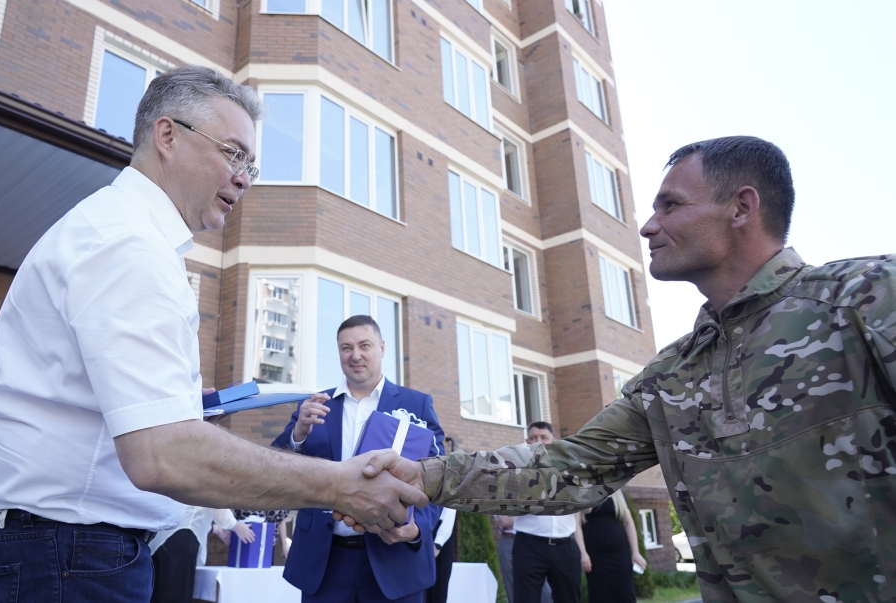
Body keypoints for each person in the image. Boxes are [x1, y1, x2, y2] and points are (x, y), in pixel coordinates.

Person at [354, 136, 896, 601]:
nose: (647, 226)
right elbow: (566, 469)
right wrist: (424, 475)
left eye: (671, 205)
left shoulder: (864, 300)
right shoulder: (673, 374)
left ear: (741, 207)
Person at [0, 66, 426, 603]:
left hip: (65, 553)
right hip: (68, 560)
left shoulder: (120, 234)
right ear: (168, 135)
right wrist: (340, 484)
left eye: (251, 164)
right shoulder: (128, 245)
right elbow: (162, 453)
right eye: (233, 153)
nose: (244, 178)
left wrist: (178, 408)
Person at [271, 315, 445, 603]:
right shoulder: (315, 405)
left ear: (382, 348)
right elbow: (275, 465)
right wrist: (298, 432)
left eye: (365, 345)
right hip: (324, 564)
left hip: (395, 562)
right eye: (346, 348)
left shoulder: (416, 404)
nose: (355, 355)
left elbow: (439, 479)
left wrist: (417, 528)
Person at [511, 423, 585, 603]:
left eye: (544, 437)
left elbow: (585, 505)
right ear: (527, 441)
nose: (539, 441)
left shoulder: (570, 468)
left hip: (565, 546)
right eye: (533, 438)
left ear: (553, 440)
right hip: (529, 545)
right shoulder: (517, 469)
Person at [149, 507, 254, 603]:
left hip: (161, 540)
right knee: (175, 596)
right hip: (182, 539)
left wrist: (215, 529)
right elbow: (217, 504)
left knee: (158, 594)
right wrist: (236, 526)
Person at [580, 490, 647, 603]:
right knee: (600, 594)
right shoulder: (584, 490)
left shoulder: (618, 492)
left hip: (619, 552)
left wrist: (636, 552)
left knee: (625, 592)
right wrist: (583, 553)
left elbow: (628, 522)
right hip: (595, 555)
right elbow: (577, 524)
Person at [426, 506, 457, 603]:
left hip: (441, 537)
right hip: (426, 531)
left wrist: (438, 544)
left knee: (438, 591)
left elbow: (450, 512)